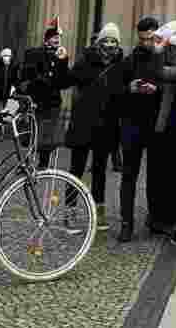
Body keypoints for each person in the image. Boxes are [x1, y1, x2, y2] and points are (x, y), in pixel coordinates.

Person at [62, 22, 124, 230]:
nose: (109, 44)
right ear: (99, 42)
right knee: (76, 170)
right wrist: (62, 61)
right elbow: (67, 80)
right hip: (83, 123)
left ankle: (98, 212)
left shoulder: (120, 64)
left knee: (100, 171)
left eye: (114, 40)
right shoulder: (86, 60)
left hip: (107, 126)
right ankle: (69, 212)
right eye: (106, 40)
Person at [113, 16, 162, 242]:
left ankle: (154, 219)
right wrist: (129, 89)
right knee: (128, 177)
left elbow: (171, 88)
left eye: (150, 39)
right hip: (131, 125)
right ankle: (126, 223)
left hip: (155, 126)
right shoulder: (128, 60)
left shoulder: (162, 58)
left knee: (155, 176)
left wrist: (157, 89)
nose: (146, 43)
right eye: (143, 39)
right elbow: (114, 94)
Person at [148, 20, 176, 248]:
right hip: (159, 123)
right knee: (156, 174)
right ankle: (156, 218)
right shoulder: (160, 55)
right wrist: (158, 49)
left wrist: (158, 53)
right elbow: (154, 73)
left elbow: (162, 73)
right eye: (173, 34)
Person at [19, 25, 70, 168]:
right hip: (37, 100)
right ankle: (28, 163)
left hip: (52, 103)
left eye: (59, 38)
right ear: (47, 39)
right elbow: (30, 74)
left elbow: (64, 81)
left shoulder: (60, 55)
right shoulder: (36, 53)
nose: (57, 40)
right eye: (54, 37)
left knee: (47, 136)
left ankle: (43, 164)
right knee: (32, 134)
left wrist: (64, 61)